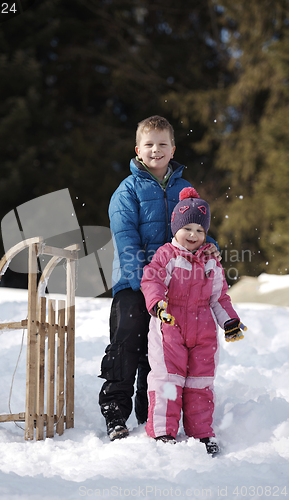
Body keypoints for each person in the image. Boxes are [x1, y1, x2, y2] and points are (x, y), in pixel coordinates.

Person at [98, 115, 219, 441]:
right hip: (134, 281)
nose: (156, 150)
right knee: (128, 339)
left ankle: (148, 408)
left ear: (173, 148)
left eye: (162, 144)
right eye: (149, 144)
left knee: (164, 349)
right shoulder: (127, 191)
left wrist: (212, 249)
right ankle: (115, 411)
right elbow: (126, 240)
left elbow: (198, 231)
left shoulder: (184, 190)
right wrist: (145, 284)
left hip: (177, 287)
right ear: (138, 149)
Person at [140, 186, 246, 455]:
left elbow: (219, 298)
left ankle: (201, 432)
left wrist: (230, 322)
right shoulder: (167, 255)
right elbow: (151, 279)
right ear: (175, 227)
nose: (194, 235)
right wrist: (157, 304)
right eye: (188, 229)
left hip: (204, 331)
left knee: (200, 382)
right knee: (169, 380)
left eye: (200, 230)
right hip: (170, 327)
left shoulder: (212, 262)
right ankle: (164, 431)